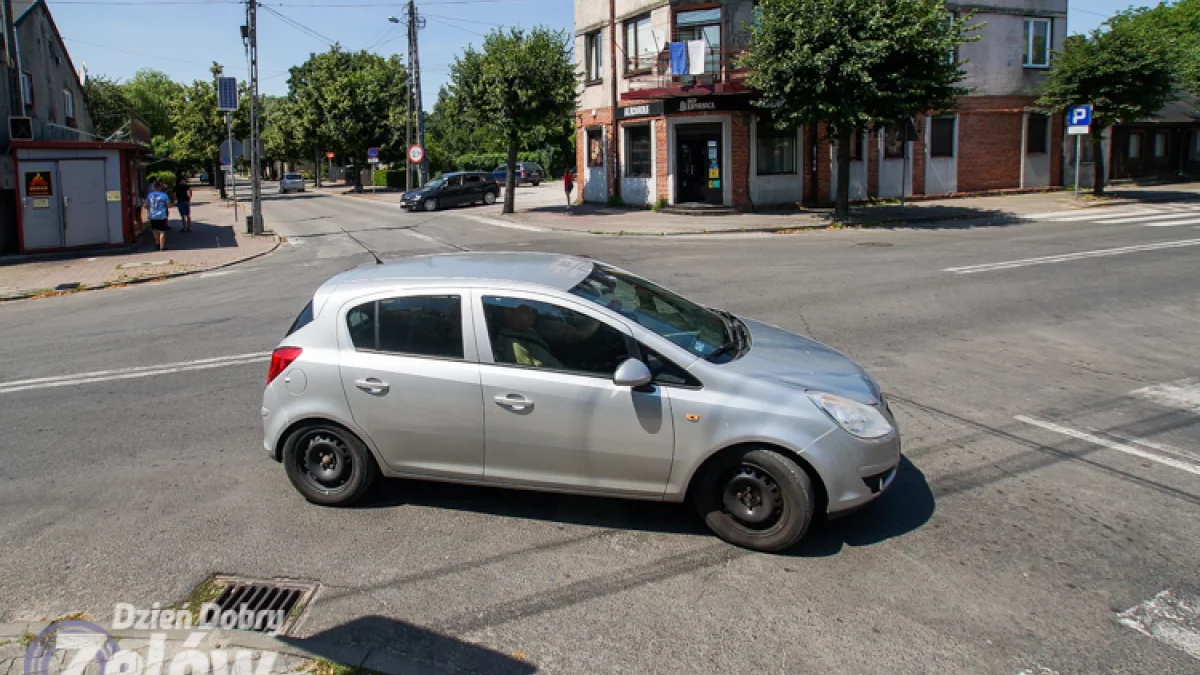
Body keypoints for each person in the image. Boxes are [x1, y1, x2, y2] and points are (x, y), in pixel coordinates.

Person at [144, 181, 171, 251]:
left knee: (154, 230)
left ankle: (157, 244)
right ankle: (162, 247)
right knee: (162, 231)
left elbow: (146, 205)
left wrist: (150, 209)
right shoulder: (164, 195)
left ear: (154, 187)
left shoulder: (150, 195)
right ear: (160, 187)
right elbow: (168, 205)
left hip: (152, 214)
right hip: (161, 215)